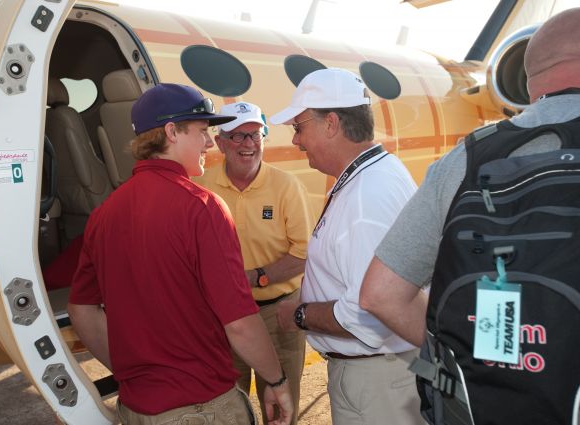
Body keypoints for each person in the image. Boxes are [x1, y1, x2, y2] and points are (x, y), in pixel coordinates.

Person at [67, 83, 293, 425]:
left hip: (137, 408)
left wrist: (136, 371)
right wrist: (276, 380)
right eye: (202, 131)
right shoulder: (202, 206)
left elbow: (81, 309)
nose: (208, 143)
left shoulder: (105, 213)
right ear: (171, 132)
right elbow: (239, 322)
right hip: (200, 408)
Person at [359, 7, 580, 350]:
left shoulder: (467, 158)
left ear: (528, 79)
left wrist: (458, 358)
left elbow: (380, 294)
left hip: (496, 390)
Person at [270, 68, 424, 425]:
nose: (296, 140)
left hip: (376, 383)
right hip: (379, 376)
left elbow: (368, 314)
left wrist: (299, 314)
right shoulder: (372, 176)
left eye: (298, 127)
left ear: (331, 123)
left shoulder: (366, 197)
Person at [194, 101, 313, 425]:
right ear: (219, 143)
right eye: (238, 136)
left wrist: (256, 277)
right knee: (229, 404)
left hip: (278, 312)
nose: (248, 144)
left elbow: (303, 254)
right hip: (222, 314)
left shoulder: (287, 187)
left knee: (280, 407)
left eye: (255, 135)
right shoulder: (201, 188)